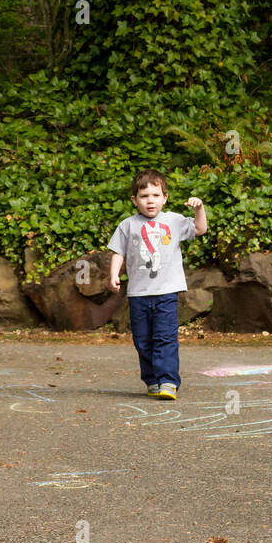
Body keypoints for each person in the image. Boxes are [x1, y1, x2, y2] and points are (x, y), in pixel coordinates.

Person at [107, 170, 207, 399]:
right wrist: (114, 274)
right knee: (142, 340)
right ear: (134, 200)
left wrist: (199, 209)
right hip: (138, 294)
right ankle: (152, 379)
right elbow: (118, 252)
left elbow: (200, 229)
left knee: (165, 337)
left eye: (155, 195)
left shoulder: (173, 221)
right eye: (144, 196)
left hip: (166, 293)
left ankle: (168, 381)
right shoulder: (128, 225)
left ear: (165, 197)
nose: (150, 200)